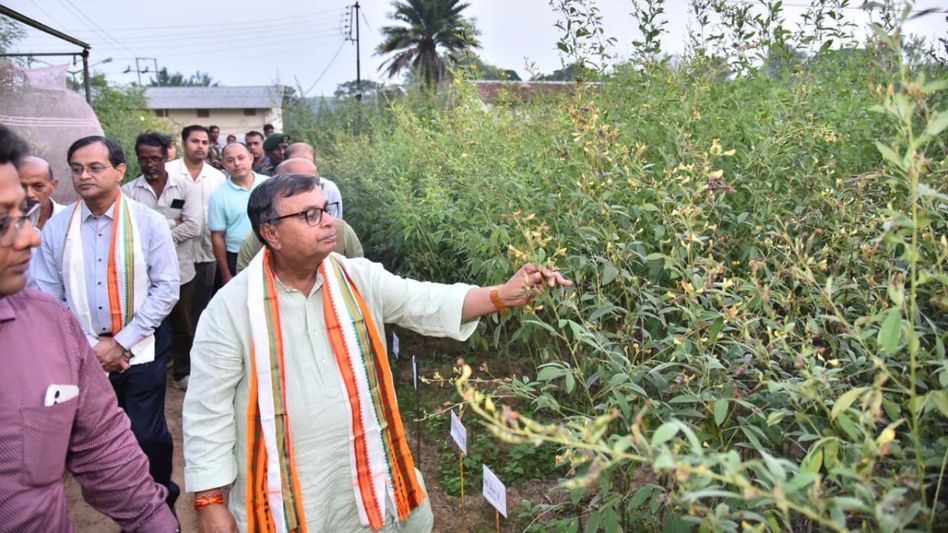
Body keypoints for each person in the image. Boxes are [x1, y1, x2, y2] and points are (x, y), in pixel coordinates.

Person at [183, 173, 572, 532]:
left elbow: (425, 300)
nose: (328, 221)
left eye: (326, 210)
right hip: (284, 489)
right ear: (271, 233)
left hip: (364, 474)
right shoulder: (232, 307)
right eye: (310, 214)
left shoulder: (356, 277)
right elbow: (207, 411)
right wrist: (209, 501)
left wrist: (500, 295)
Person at [0, 126, 178, 533]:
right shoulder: (58, 230)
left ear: (119, 172)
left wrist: (121, 342)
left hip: (139, 346)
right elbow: (50, 292)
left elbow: (166, 287)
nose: (29, 236)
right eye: (77, 169)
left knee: (145, 435)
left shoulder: (148, 223)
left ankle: (161, 493)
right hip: (80, 347)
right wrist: (86, 346)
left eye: (95, 167)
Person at [123, 133, 202, 391]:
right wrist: (170, 225)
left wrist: (156, 233)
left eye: (155, 158)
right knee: (149, 322)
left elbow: (193, 226)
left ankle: (182, 372)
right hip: (143, 273)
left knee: (184, 325)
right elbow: (130, 233)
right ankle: (152, 369)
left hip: (181, 269)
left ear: (166, 157)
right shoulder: (129, 192)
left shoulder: (184, 187)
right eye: (144, 159)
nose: (150, 165)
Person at [235, 158, 362, 273]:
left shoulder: (340, 231)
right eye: (299, 186)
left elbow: (361, 273)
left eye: (316, 183)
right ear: (271, 234)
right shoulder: (253, 244)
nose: (328, 221)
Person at [166, 125, 225, 328]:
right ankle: (178, 351)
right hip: (177, 251)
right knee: (176, 305)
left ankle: (197, 346)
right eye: (195, 141)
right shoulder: (168, 172)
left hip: (207, 251)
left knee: (202, 303)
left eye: (204, 142)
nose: (200, 146)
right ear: (183, 144)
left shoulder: (217, 177)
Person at [208, 142, 266, 285]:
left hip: (271, 250)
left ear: (251, 158)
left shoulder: (269, 185)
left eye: (241, 158)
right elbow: (217, 237)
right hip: (237, 256)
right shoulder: (218, 197)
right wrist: (226, 273)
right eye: (230, 160)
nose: (237, 163)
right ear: (224, 164)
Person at [284, 142, 344, 220]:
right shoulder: (277, 191)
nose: (302, 165)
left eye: (307, 161)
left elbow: (335, 221)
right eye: (296, 161)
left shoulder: (329, 188)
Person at [16, 155, 65, 230]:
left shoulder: (72, 219)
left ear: (53, 185)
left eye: (38, 186)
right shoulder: (4, 223)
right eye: (21, 187)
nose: (29, 194)